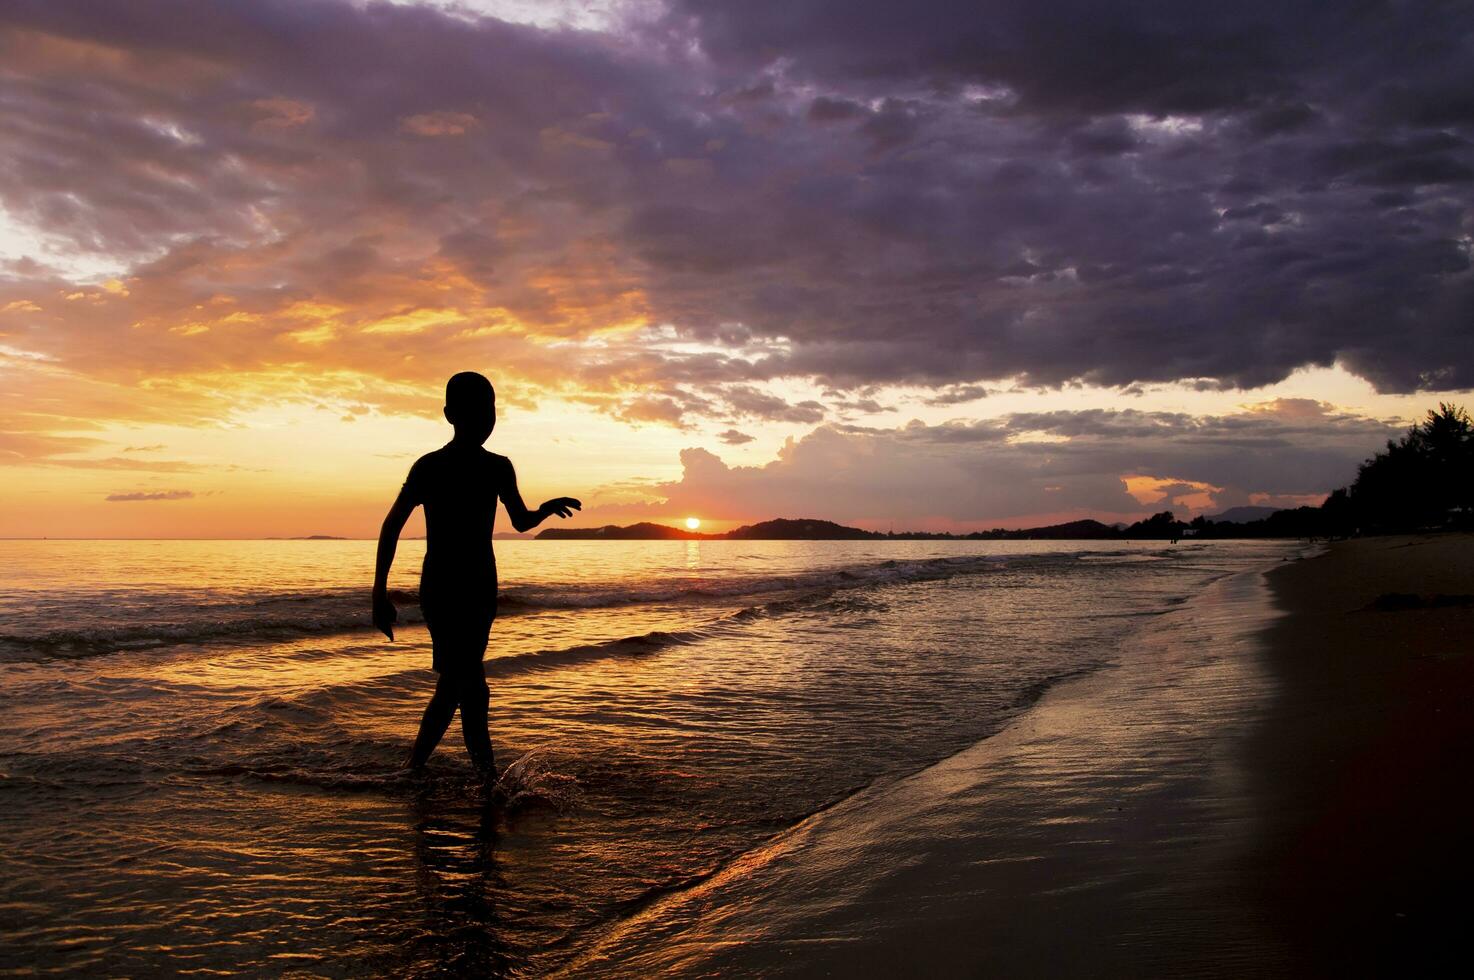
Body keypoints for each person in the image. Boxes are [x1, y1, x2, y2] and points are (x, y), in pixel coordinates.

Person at [372, 372, 580, 777]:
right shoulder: (430, 467)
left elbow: (520, 521)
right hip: (443, 588)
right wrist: (378, 592)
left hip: (482, 589)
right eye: (475, 412)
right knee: (470, 684)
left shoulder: (499, 468)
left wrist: (545, 508)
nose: (485, 419)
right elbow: (391, 525)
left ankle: (418, 772)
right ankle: (484, 781)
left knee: (458, 682)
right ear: (450, 414)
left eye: (490, 411)